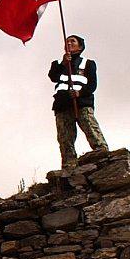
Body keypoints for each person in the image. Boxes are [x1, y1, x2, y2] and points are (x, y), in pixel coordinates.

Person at [49, 34, 108, 169]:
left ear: (80, 46)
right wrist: (64, 63)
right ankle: (69, 166)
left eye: (72, 41)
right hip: (62, 105)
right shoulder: (58, 64)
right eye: (67, 42)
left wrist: (79, 93)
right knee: (65, 138)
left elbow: (92, 85)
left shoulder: (88, 63)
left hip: (82, 103)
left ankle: (103, 156)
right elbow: (53, 77)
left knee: (91, 129)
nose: (69, 44)